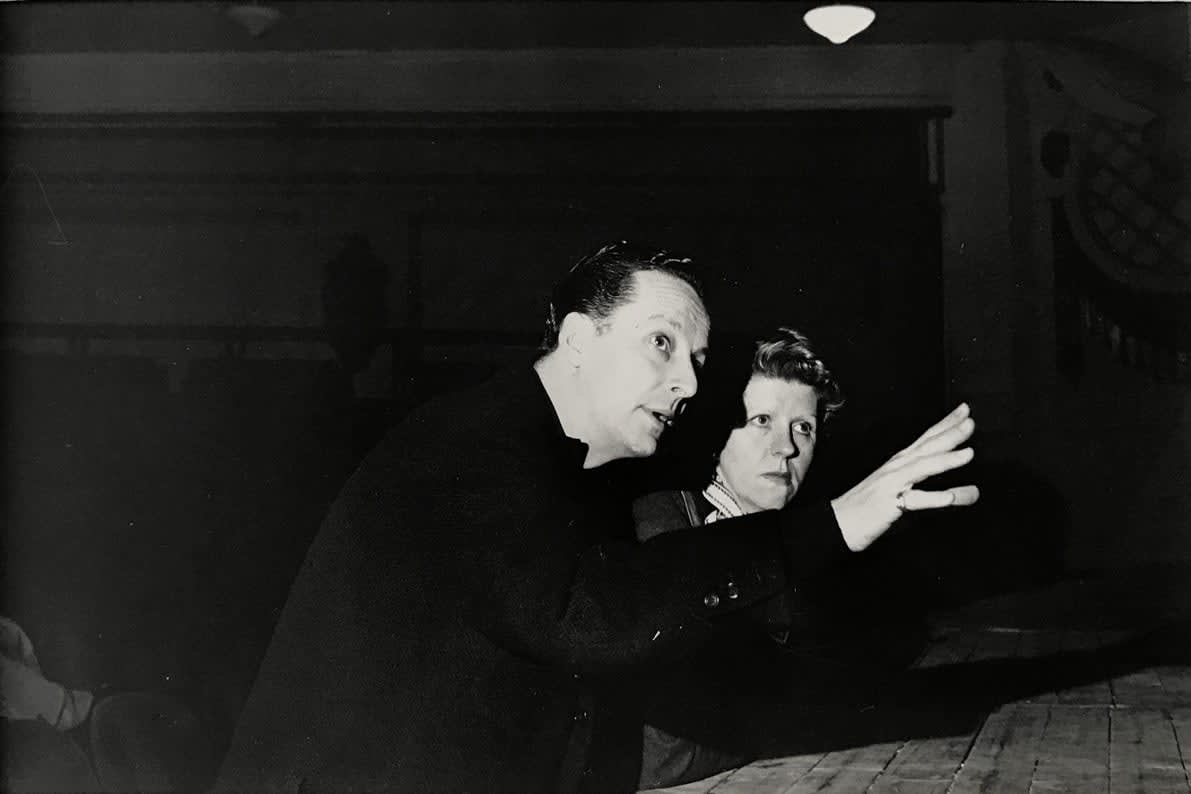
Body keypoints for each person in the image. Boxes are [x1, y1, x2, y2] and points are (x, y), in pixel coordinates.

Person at [215, 242, 979, 793]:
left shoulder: (555, 463)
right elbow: (586, 618)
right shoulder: (472, 445)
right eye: (661, 343)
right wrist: (833, 524)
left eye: (697, 361)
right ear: (578, 339)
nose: (685, 382)